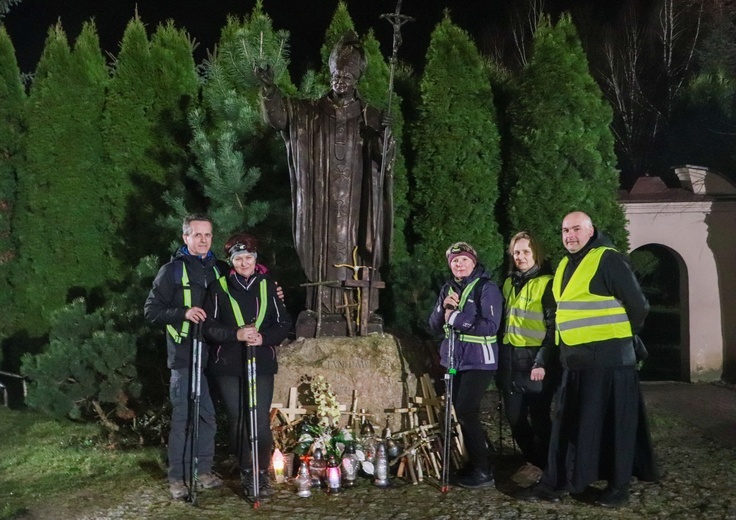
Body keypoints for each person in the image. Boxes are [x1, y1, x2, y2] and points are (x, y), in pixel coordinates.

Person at [517, 211, 658, 507]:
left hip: (610, 363)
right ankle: (556, 483)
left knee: (615, 427)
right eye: (565, 230)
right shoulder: (566, 265)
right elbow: (560, 317)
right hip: (576, 363)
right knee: (568, 427)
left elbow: (638, 306)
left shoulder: (608, 259)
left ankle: (618, 489)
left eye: (576, 229)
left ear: (591, 230)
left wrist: (619, 338)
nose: (570, 235)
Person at [256, 30, 395, 317]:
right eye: (336, 75)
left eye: (346, 77)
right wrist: (270, 91)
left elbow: (384, 161)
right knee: (321, 257)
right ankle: (320, 309)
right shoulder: (309, 112)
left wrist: (383, 133)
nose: (339, 80)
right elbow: (280, 117)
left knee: (358, 251)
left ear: (355, 81)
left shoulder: (371, 115)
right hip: (320, 208)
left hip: (357, 204)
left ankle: (359, 312)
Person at [202, 233, 292, 500]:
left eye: (248, 258)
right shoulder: (219, 287)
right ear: (231, 261)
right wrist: (236, 335)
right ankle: (246, 471)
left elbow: (283, 322)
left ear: (256, 260)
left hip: (261, 361)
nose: (244, 263)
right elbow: (209, 327)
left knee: (258, 420)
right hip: (229, 363)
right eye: (238, 259)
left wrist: (264, 338)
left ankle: (261, 473)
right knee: (240, 420)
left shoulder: (267, 285)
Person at [144, 214, 224, 500]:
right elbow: (151, 311)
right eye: (197, 235)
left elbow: (245, 288)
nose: (203, 240)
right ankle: (177, 478)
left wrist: (273, 288)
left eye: (208, 235)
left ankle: (202, 472)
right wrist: (183, 313)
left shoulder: (219, 269)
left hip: (214, 358)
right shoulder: (172, 271)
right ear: (185, 238)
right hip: (184, 357)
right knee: (183, 419)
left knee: (208, 419)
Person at [428, 242, 503, 489]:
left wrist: (457, 317)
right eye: (454, 261)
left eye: (464, 260)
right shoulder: (448, 288)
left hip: (480, 360)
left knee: (467, 411)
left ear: (474, 261)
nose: (459, 264)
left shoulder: (486, 288)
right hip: (456, 360)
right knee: (461, 413)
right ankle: (477, 462)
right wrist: (444, 306)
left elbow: (491, 325)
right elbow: (434, 324)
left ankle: (484, 470)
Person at [498, 232, 559, 484]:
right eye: (516, 252)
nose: (520, 257)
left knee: (540, 418)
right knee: (515, 418)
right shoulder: (509, 283)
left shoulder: (548, 284)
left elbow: (553, 327)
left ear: (536, 254)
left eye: (525, 251)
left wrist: (543, 361)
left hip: (536, 360)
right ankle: (534, 461)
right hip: (511, 359)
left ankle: (547, 465)